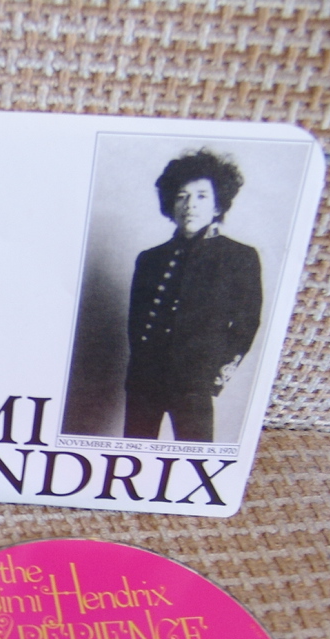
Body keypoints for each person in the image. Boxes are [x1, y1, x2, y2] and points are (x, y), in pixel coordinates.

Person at [123, 149, 263, 442]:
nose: (190, 205)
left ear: (217, 204)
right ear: (171, 204)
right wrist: (141, 370)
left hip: (194, 384)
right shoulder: (150, 259)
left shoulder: (239, 257)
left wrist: (211, 377)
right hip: (144, 382)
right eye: (182, 196)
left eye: (201, 196)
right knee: (131, 455)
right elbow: (135, 324)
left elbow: (246, 325)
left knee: (194, 457)